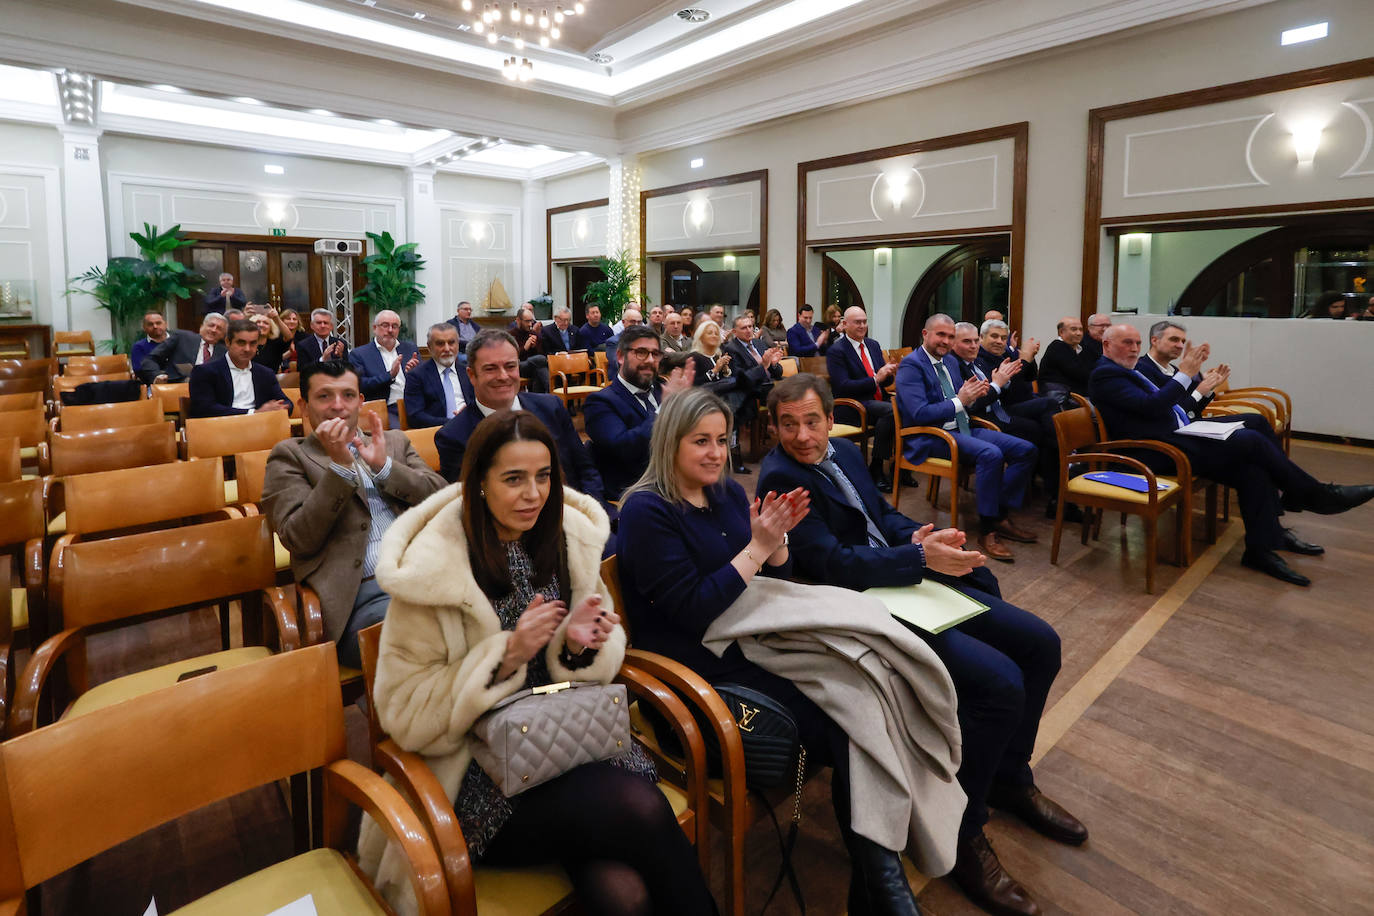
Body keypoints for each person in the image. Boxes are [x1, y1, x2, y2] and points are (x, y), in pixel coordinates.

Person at [358, 409, 717, 916]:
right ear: (479, 482)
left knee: (626, 895)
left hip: (569, 740)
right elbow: (404, 711)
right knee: (638, 808)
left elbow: (603, 654)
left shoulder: (565, 538)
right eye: (514, 479)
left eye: (544, 476)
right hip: (482, 774)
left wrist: (575, 647)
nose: (534, 493)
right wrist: (507, 655)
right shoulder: (437, 566)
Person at [616, 387, 960, 916]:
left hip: (753, 643)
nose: (715, 453)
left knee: (870, 682)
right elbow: (693, 610)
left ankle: (878, 879)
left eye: (722, 441)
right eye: (700, 441)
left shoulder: (727, 492)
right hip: (696, 676)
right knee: (849, 718)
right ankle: (883, 888)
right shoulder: (646, 511)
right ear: (669, 443)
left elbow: (772, 578)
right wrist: (758, 550)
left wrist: (776, 547)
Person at [758, 374, 1086, 916]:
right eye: (788, 424)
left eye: (812, 420)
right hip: (866, 606)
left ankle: (1009, 777)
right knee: (999, 685)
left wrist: (918, 535)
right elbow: (832, 566)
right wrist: (918, 560)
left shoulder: (842, 451)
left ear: (827, 417)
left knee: (1041, 644)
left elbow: (878, 516)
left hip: (904, 575)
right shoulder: (780, 477)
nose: (802, 435)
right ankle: (963, 829)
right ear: (773, 427)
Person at [1089, 324, 1374, 586]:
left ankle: (1261, 547)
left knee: (1253, 440)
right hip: (1153, 452)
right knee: (1248, 442)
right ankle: (1315, 494)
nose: (1134, 349)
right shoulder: (1105, 374)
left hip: (1174, 435)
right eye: (1127, 342)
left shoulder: (1128, 370)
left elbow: (1175, 407)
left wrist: (1196, 386)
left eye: (1137, 343)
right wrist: (1185, 375)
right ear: (1106, 345)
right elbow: (1152, 407)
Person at [262, 360, 446, 666]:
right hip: (363, 595)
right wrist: (340, 470)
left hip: (428, 574)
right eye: (324, 397)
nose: (338, 406)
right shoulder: (289, 457)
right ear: (304, 407)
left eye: (348, 395)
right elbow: (298, 538)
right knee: (425, 633)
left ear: (361, 401)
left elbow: (441, 500)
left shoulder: (394, 442)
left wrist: (384, 468)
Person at [896, 314, 1038, 562]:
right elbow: (919, 414)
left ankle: (998, 514)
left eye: (950, 336)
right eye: (941, 335)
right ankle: (987, 530)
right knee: (991, 454)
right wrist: (961, 400)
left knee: (1026, 449)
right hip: (933, 436)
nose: (946, 341)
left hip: (964, 428)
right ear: (925, 334)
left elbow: (965, 404)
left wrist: (982, 392)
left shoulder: (950, 362)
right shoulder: (912, 365)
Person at [435, 329, 613, 519]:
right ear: (471, 375)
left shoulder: (550, 407)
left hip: (580, 515)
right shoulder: (454, 436)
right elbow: (473, 507)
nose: (503, 376)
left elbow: (584, 468)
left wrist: (592, 511)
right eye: (491, 368)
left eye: (510, 366)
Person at [583, 326, 695, 500]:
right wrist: (665, 409)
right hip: (635, 495)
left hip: (676, 485)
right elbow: (625, 449)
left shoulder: (662, 390)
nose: (650, 360)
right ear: (620, 356)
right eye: (641, 352)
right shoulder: (600, 402)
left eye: (655, 354)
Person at [826, 306, 897, 490]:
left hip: (876, 401)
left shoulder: (872, 345)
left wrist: (888, 373)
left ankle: (900, 469)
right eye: (857, 322)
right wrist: (876, 379)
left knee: (908, 406)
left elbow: (884, 380)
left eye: (865, 321)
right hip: (852, 406)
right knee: (891, 412)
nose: (862, 325)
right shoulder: (837, 350)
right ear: (845, 324)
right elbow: (843, 387)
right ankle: (877, 467)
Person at [188, 318, 293, 418]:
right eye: (241, 343)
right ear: (228, 342)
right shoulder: (205, 372)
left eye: (253, 343)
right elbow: (204, 409)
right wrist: (254, 413)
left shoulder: (265, 373)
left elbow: (287, 403)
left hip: (260, 428)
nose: (247, 349)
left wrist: (280, 407)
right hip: (221, 429)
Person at [348, 310, 420, 428]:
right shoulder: (359, 354)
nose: (390, 330)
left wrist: (415, 373)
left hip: (414, 404)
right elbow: (359, 385)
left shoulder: (410, 348)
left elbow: (423, 379)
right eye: (385, 325)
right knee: (399, 436)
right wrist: (390, 375)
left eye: (394, 326)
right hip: (386, 408)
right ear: (375, 328)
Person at [403, 323, 474, 428]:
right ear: (429, 347)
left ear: (458, 344)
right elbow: (415, 417)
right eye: (440, 344)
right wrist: (452, 422)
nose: (447, 348)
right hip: (436, 433)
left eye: (451, 343)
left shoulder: (468, 372)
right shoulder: (417, 376)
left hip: (470, 429)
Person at [140, 313, 227, 384]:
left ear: (223, 334)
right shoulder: (182, 337)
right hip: (176, 387)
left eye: (219, 328)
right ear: (201, 327)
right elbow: (150, 359)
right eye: (211, 325)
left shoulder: (225, 353)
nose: (214, 330)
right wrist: (157, 376)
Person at [1037, 316, 1095, 407]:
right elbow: (1081, 374)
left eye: (1081, 329)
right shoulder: (1057, 347)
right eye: (1074, 329)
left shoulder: (1081, 349)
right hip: (1063, 399)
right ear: (1061, 332)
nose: (1079, 333)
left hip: (1078, 396)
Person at [509, 307, 550, 393]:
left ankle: (537, 399)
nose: (530, 324)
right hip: (518, 367)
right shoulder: (511, 335)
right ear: (518, 320)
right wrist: (525, 348)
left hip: (534, 367)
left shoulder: (533, 334)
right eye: (527, 321)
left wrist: (535, 346)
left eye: (531, 321)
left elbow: (542, 354)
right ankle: (552, 391)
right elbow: (510, 357)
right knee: (539, 360)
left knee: (538, 369)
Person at [603, 308, 642, 381]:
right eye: (632, 322)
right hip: (620, 379)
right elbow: (617, 363)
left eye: (639, 322)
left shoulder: (645, 341)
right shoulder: (613, 342)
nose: (636, 325)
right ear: (623, 322)